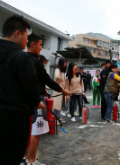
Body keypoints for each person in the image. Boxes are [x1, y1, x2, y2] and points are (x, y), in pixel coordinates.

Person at [0, 15, 45, 165]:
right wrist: (38, 103)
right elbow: (31, 91)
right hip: (14, 120)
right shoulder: (21, 57)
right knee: (11, 157)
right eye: (26, 37)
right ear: (17, 34)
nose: (26, 41)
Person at [24, 34, 71, 165]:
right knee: (36, 130)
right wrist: (63, 90)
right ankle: (31, 159)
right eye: (40, 44)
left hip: (24, 100)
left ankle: (26, 156)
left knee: (27, 129)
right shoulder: (35, 60)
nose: (41, 47)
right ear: (32, 44)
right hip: (36, 100)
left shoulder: (21, 58)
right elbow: (47, 80)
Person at [53, 58, 68, 124]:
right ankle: (55, 119)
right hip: (58, 90)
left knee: (58, 105)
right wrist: (61, 83)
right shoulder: (58, 69)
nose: (65, 64)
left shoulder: (63, 71)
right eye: (64, 62)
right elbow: (57, 77)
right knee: (56, 105)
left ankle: (58, 119)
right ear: (61, 63)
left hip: (61, 90)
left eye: (66, 62)